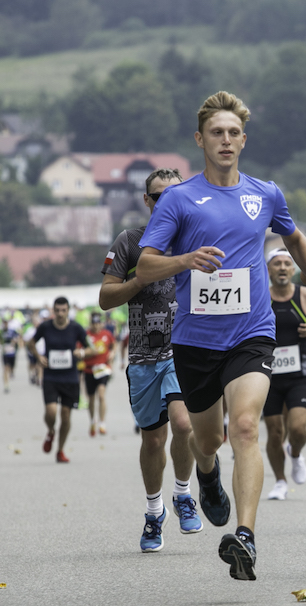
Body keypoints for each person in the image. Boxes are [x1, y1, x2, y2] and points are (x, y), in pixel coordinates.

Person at [136, 92, 306, 581]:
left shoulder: (265, 193)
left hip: (251, 333)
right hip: (195, 341)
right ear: (200, 140)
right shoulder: (179, 199)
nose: (226, 140)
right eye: (217, 132)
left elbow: (295, 238)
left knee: (246, 428)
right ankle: (207, 474)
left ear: (244, 140)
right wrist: (185, 260)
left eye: (234, 133)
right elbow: (146, 265)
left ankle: (246, 536)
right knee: (206, 439)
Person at [99, 167, 206, 552]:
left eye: (173, 194)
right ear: (147, 201)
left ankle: (183, 493)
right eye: (158, 196)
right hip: (144, 357)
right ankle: (153, 511)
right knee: (152, 440)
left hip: (184, 351)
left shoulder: (196, 238)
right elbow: (105, 298)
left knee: (184, 423)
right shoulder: (130, 242)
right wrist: (138, 280)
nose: (165, 201)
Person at [263, 247, 306, 501]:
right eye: (277, 263)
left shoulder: (305, 295)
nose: (282, 267)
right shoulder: (261, 295)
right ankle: (280, 481)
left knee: (298, 429)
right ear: (268, 269)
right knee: (274, 432)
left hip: (298, 372)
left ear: (293, 269)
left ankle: (295, 452)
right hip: (267, 374)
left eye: (287, 263)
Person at [26, 297, 94, 463]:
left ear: (68, 311)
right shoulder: (45, 327)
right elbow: (30, 343)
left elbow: (92, 348)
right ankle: (51, 431)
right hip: (51, 376)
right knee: (51, 412)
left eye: (63, 310)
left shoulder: (76, 328)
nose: (60, 314)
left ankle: (60, 450)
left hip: (70, 378)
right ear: (53, 311)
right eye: (57, 310)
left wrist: (81, 353)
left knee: (65, 415)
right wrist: (38, 357)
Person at [82, 312, 115, 436]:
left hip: (103, 369)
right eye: (93, 324)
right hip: (89, 370)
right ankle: (92, 421)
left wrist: (112, 353)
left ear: (101, 324)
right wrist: (89, 352)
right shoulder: (86, 336)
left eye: (98, 323)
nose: (96, 326)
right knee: (91, 398)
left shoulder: (107, 334)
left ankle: (102, 423)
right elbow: (80, 350)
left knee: (101, 395)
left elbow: (113, 345)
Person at [0, 318, 22, 393]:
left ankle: (12, 371)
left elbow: (18, 337)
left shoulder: (12, 331)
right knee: (5, 368)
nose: (5, 324)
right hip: (5, 353)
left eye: (6, 323)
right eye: (3, 323)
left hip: (12, 353)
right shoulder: (1, 332)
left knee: (11, 367)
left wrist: (14, 341)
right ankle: (6, 385)